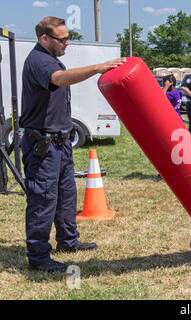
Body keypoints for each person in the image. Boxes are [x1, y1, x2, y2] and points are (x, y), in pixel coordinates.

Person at [20, 16, 126, 272]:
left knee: (67, 195)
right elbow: (59, 79)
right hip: (42, 146)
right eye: (62, 39)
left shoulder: (52, 58)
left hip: (60, 143)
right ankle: (38, 257)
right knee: (43, 199)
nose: (67, 43)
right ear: (45, 38)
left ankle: (68, 240)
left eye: (68, 37)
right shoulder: (39, 61)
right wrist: (98, 67)